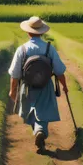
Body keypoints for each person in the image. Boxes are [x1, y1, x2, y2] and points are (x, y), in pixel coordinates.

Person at [8, 16, 68, 151]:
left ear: (28, 32)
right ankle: (40, 130)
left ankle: (37, 131)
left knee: (30, 111)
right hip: (45, 86)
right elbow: (59, 71)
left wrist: (13, 90)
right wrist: (64, 85)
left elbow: (15, 74)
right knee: (43, 111)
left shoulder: (22, 49)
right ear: (42, 32)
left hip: (27, 87)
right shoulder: (49, 48)